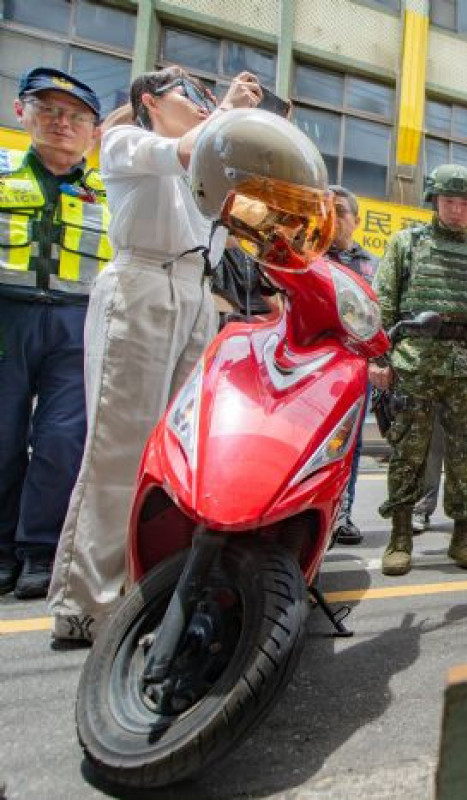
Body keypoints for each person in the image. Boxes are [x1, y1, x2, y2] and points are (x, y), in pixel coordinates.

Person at [47, 67, 262, 644]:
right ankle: (85, 602)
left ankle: (146, 589)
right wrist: (226, 112)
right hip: (141, 280)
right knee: (120, 446)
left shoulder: (205, 159)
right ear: (149, 102)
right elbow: (188, 149)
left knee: (173, 452)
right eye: (190, 94)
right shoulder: (126, 140)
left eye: (206, 96)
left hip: (195, 292)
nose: (202, 103)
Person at [0, 68, 109, 601]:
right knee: (1, 436)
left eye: (75, 116)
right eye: (49, 110)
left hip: (77, 321)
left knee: (61, 442)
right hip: (8, 317)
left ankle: (38, 550)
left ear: (94, 131)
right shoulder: (3, 175)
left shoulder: (111, 191)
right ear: (22, 113)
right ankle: (1, 547)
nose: (61, 123)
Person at [370, 164, 467, 576]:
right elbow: (383, 303)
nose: (458, 210)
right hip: (415, 363)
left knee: (465, 457)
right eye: (450, 201)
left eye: (465, 203)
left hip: (466, 368)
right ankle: (400, 536)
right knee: (409, 453)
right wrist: (379, 357)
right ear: (434, 201)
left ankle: (463, 534)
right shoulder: (406, 244)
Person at [325, 184, 378, 546]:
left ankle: (341, 516)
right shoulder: (307, 253)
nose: (333, 217)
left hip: (355, 368)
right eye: (326, 209)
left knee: (350, 443)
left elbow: (378, 317)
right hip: (314, 366)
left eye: (340, 211)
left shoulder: (370, 264)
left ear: (356, 221)